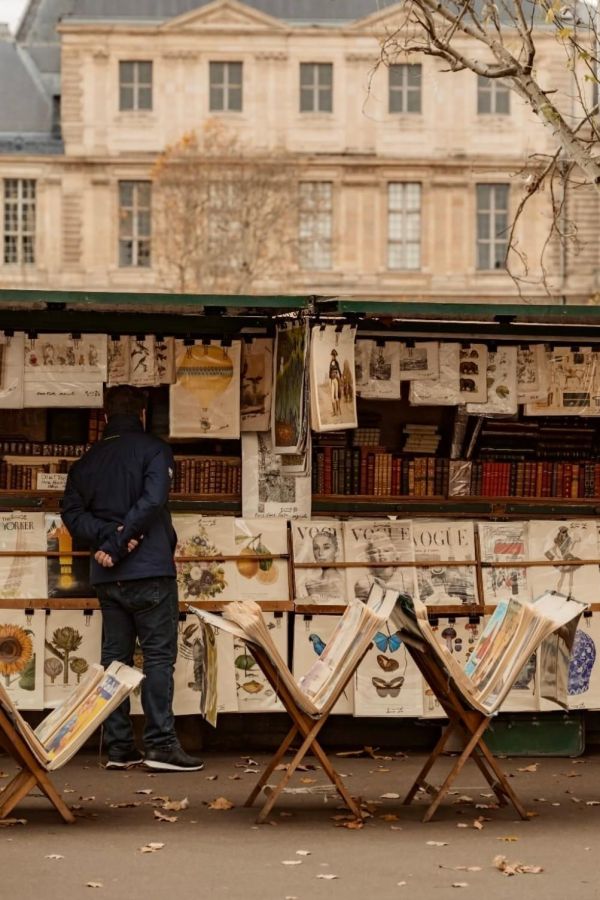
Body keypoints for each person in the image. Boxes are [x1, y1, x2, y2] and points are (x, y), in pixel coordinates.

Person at [61, 385, 204, 772]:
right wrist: (123, 539)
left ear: (105, 417)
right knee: (158, 658)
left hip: (107, 576)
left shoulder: (85, 462)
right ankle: (160, 745)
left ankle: (120, 747)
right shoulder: (155, 449)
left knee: (114, 660)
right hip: (151, 570)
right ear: (141, 415)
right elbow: (153, 500)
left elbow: (72, 517)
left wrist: (109, 540)